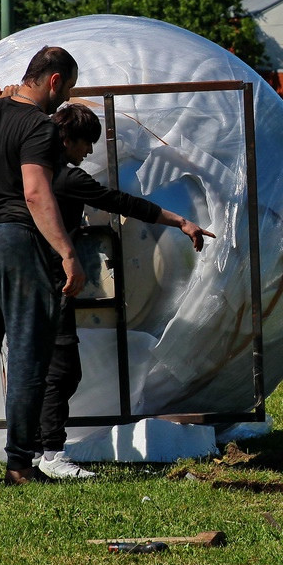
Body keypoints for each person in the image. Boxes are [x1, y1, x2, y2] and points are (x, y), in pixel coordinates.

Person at [37, 103, 214, 478]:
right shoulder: (67, 178)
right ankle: (50, 452)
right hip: (49, 281)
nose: (88, 153)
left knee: (32, 366)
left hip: (8, 274)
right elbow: (122, 202)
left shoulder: (26, 170)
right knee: (62, 369)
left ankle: (28, 447)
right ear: (67, 138)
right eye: (85, 144)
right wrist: (180, 220)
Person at [0, 46, 86, 486]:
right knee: (27, 353)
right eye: (69, 90)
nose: (65, 100)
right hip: (16, 240)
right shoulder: (39, 127)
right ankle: (21, 463)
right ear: (54, 81)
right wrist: (66, 252)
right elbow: (35, 193)